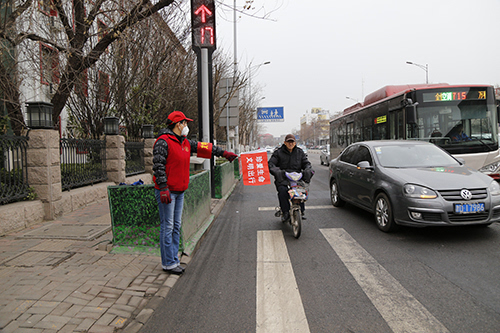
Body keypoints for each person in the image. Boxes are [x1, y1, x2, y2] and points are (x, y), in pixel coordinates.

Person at [153, 111, 237, 275]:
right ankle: (168, 263)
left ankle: (174, 259)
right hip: (167, 192)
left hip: (180, 191)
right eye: (185, 123)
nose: (186, 126)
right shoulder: (163, 142)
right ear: (178, 124)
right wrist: (163, 187)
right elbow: (158, 165)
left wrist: (224, 153)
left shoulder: (184, 142)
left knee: (176, 226)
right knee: (167, 226)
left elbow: (205, 147)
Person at [268, 134, 314, 222]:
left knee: (301, 190)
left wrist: (308, 169)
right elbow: (271, 164)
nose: (290, 144)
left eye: (292, 142)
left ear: (295, 143)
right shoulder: (278, 152)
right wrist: (278, 172)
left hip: (297, 177)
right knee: (283, 191)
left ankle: (301, 211)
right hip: (283, 177)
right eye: (288, 142)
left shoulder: (299, 152)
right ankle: (285, 212)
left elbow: (306, 163)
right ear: (285, 143)